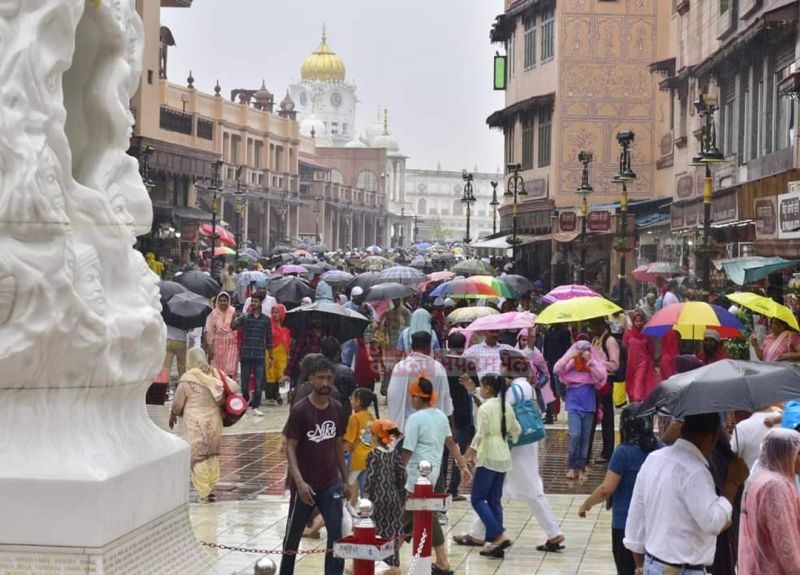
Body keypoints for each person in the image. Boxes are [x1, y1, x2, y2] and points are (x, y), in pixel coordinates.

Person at [455, 350, 566, 552]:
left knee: (526, 490)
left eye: (502, 365)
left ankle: (549, 532)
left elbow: (493, 408)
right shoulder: (526, 386)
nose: (500, 368)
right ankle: (479, 533)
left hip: (513, 447)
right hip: (522, 443)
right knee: (505, 491)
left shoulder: (516, 388)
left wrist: (474, 392)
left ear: (509, 367)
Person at [623, 412, 750, 575]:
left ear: (682, 429)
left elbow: (636, 519)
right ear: (713, 437)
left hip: (654, 564)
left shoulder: (654, 459)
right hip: (681, 569)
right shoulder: (695, 471)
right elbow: (714, 522)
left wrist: (640, 565)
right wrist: (733, 482)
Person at [280, 356, 348, 575]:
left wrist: (345, 479)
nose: (325, 383)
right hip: (305, 485)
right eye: (321, 378)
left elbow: (338, 443)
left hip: (330, 483)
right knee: (293, 536)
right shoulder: (300, 410)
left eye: (329, 378)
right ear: (311, 379)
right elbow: (290, 446)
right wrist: (298, 481)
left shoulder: (337, 408)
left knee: (337, 534)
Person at [578, 403, 660, 575]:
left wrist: (586, 504)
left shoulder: (624, 452)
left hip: (625, 525)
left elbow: (606, 489)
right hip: (655, 523)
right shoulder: (661, 449)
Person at [401, 377, 470, 575]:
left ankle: (442, 561)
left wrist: (396, 473)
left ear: (416, 398)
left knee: (423, 513)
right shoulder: (440, 415)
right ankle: (393, 561)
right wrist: (462, 465)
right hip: (433, 472)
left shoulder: (414, 419)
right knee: (410, 517)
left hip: (417, 474)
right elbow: (451, 443)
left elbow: (407, 451)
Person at [463, 373, 520, 558]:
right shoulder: (506, 406)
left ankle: (497, 534)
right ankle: (494, 545)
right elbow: (516, 430)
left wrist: (470, 452)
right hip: (503, 454)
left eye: (482, 385)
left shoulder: (485, 408)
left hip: (488, 454)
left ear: (488, 387)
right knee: (494, 499)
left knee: (478, 498)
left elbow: (480, 433)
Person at [169, 348, 237, 502]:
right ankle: (210, 487)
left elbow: (179, 401)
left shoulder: (188, 378)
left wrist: (173, 414)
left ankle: (204, 492)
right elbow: (233, 386)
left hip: (195, 421)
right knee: (212, 453)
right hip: (214, 420)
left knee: (198, 455)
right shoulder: (214, 373)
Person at [738, 428, 800, 575]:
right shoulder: (775, 486)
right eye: (798, 453)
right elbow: (786, 547)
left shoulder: (759, 479)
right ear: (786, 454)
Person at [554, 340, 608, 481]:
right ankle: (572, 466)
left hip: (589, 400)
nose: (583, 351)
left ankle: (582, 466)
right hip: (573, 400)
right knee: (575, 434)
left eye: (586, 349)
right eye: (580, 348)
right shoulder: (571, 361)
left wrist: (590, 362)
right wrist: (570, 356)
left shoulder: (593, 361)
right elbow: (557, 369)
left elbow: (602, 376)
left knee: (585, 437)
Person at [387, 331, 453, 432]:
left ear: (412, 347)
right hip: (432, 427)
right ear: (429, 348)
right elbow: (445, 399)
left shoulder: (400, 367)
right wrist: (450, 426)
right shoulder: (438, 368)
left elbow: (392, 396)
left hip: (406, 426)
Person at [363, 420, 406, 575]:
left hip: (378, 498)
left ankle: (363, 564)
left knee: (369, 532)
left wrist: (365, 498)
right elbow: (402, 475)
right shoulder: (394, 453)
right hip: (393, 497)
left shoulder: (373, 454)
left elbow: (371, 478)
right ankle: (394, 566)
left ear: (376, 437)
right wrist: (400, 493)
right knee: (392, 532)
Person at [439, 331, 475, 501]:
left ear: (448, 344)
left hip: (443, 412)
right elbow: (476, 384)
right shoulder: (468, 365)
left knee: (442, 451)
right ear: (464, 346)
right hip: (463, 413)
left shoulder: (440, 364)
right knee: (458, 450)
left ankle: (439, 488)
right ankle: (452, 489)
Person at [232, 293, 272, 417]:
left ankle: (256, 405)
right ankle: (246, 402)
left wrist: (270, 356)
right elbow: (233, 327)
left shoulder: (266, 319)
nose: (253, 303)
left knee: (259, 383)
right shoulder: (245, 317)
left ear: (260, 303)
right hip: (246, 354)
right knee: (244, 384)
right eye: (252, 301)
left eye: (255, 301)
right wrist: (234, 317)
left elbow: (269, 339)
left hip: (260, 354)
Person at [589, 317, 622, 463]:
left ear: (601, 325)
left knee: (607, 418)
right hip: (594, 382)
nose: (592, 329)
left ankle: (608, 452)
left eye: (594, 325)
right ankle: (587, 451)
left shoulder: (609, 341)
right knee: (592, 415)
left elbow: (615, 365)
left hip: (606, 383)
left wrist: (597, 363)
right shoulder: (595, 340)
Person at [343, 388, 378, 507]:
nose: (351, 401)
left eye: (352, 399)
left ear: (358, 401)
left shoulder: (354, 418)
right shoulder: (370, 416)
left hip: (357, 458)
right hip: (370, 457)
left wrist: (338, 452)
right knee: (365, 488)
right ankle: (367, 510)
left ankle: (351, 509)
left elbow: (348, 441)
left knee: (349, 485)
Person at [622, 311, 660, 403]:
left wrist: (651, 362)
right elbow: (624, 348)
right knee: (631, 385)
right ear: (633, 321)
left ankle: (638, 403)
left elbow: (651, 349)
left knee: (639, 383)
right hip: (630, 363)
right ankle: (634, 402)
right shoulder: (628, 333)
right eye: (637, 321)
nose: (639, 323)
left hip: (643, 362)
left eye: (640, 321)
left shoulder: (646, 334)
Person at [376, 298, 411, 395]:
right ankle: (387, 390)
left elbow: (409, 329)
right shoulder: (388, 313)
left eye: (397, 299)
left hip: (400, 346)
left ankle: (399, 390)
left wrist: (399, 327)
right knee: (388, 369)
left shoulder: (406, 313)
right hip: (388, 345)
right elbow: (383, 328)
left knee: (399, 369)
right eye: (393, 299)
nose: (394, 301)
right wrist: (385, 324)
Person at [320, 336, 357, 421]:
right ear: (338, 352)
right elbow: (353, 393)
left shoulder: (316, 371)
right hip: (343, 410)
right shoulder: (346, 371)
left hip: (322, 409)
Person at [205, 292, 238, 380]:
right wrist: (210, 347)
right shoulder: (214, 313)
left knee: (230, 369)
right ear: (217, 302)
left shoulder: (233, 311)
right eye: (220, 301)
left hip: (231, 344)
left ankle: (229, 390)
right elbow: (211, 332)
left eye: (225, 301)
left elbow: (236, 329)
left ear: (228, 301)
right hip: (218, 345)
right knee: (218, 371)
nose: (223, 303)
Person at [266, 303, 290, 406]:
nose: (275, 315)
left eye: (277, 312)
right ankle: (273, 395)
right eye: (273, 313)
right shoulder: (269, 325)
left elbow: (288, 341)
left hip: (282, 354)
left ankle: (280, 394)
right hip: (271, 352)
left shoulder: (286, 327)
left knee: (281, 374)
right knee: (271, 374)